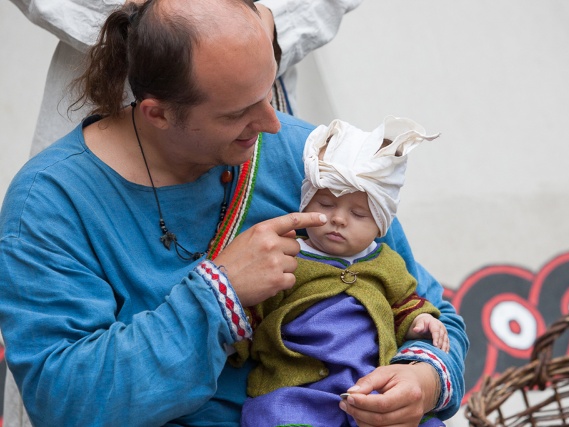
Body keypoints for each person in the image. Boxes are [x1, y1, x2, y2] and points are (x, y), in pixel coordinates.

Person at [0, 1, 468, 426]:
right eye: (237, 113)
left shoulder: (314, 160)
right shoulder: (50, 203)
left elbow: (429, 310)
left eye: (268, 93)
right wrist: (218, 294)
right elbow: (63, 400)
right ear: (157, 113)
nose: (270, 122)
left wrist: (423, 379)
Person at [237, 116, 449, 427]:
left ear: (380, 226)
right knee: (277, 415)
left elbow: (404, 303)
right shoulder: (286, 253)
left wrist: (421, 320)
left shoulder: (386, 262)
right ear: (305, 203)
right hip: (298, 384)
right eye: (324, 203)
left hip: (369, 386)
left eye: (358, 213)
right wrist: (235, 339)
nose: (338, 219)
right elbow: (255, 304)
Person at [8, 0, 363, 157]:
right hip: (112, 84)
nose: (270, 125)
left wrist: (267, 21)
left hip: (256, 61)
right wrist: (142, 20)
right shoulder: (54, 193)